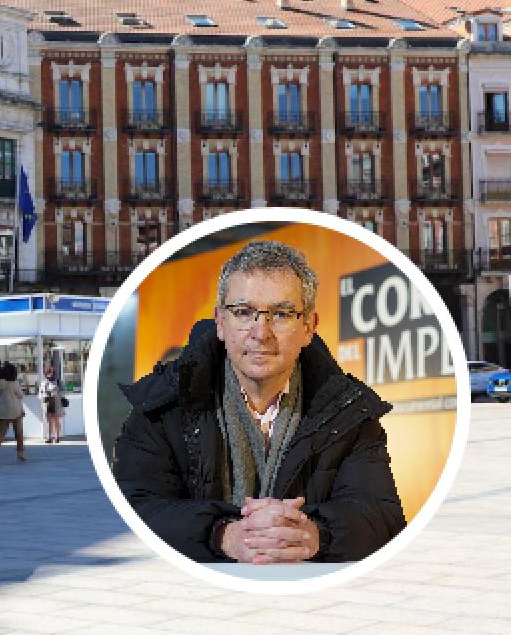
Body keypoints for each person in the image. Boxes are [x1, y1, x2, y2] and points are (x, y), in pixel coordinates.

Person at [112, 240, 406, 563]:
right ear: (220, 323)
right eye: (243, 312)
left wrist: (314, 534)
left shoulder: (351, 413)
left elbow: (382, 516)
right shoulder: (162, 408)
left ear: (308, 327)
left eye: (280, 314)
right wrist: (222, 534)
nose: (260, 331)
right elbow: (134, 508)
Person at [0, 362, 26, 463]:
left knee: (1, 432)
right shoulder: (14, 383)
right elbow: (20, 395)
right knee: (19, 433)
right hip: (16, 410)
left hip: (2, 410)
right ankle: (20, 453)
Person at [39, 362, 65, 444]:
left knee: (56, 420)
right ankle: (49, 437)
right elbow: (40, 394)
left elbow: (63, 392)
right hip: (47, 403)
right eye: (47, 373)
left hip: (56, 403)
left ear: (53, 372)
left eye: (50, 372)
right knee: (49, 421)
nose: (48, 375)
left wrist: (56, 394)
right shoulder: (43, 383)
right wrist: (44, 395)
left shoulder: (57, 381)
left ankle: (57, 437)